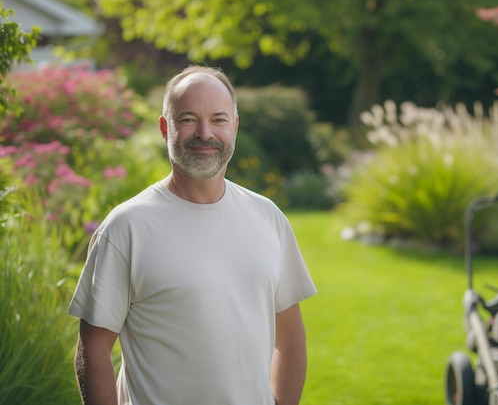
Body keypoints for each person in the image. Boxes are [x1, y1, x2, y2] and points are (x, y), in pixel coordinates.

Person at [68, 65, 317, 405]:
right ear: (164, 127)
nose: (205, 133)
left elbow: (290, 336)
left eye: (219, 119)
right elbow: (93, 350)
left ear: (235, 126)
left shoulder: (268, 217)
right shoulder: (127, 227)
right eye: (188, 119)